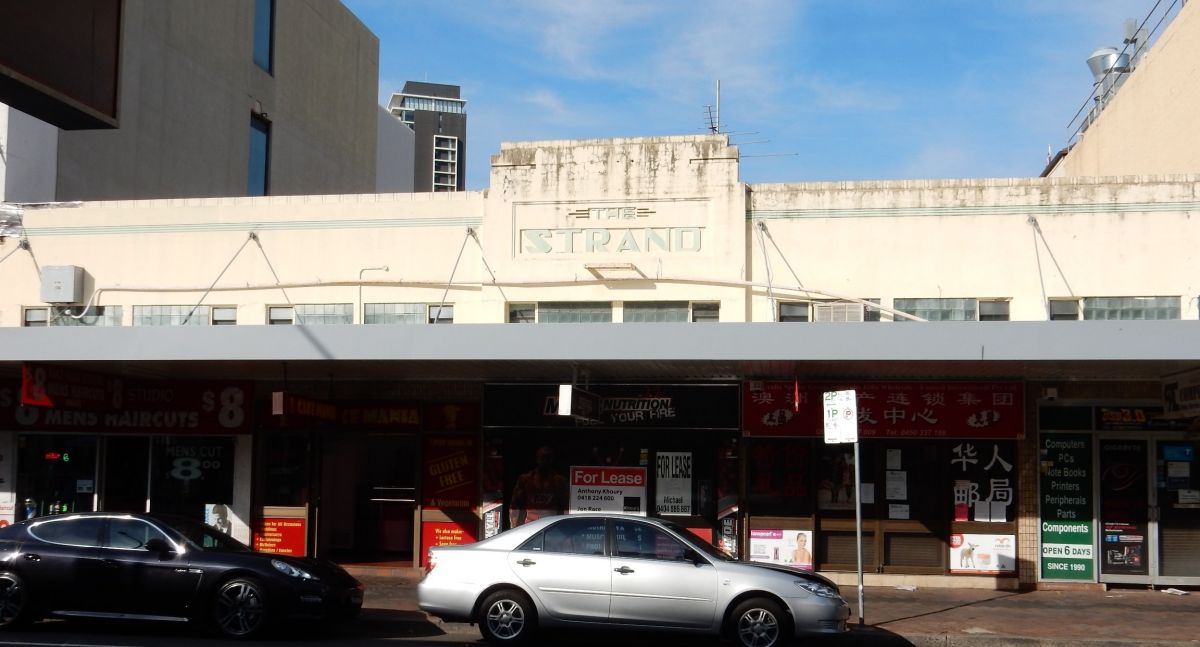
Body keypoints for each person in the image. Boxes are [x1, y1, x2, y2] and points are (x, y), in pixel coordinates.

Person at [509, 445, 569, 527]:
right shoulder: (525, 480)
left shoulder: (559, 481)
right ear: (537, 459)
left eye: (547, 458)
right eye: (542, 457)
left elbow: (564, 508)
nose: (545, 461)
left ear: (552, 460)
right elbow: (515, 507)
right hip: (530, 526)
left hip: (551, 526)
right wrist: (514, 528)